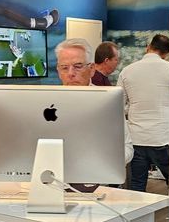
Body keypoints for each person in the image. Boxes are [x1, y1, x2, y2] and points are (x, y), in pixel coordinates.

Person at [116, 34, 169, 222]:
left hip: (137, 137)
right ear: (166, 53)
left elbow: (119, 106)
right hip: (166, 137)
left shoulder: (128, 71)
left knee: (137, 187)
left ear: (148, 47)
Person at [55, 37, 133, 165]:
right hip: (55, 178)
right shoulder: (48, 102)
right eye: (64, 67)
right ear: (58, 71)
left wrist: (104, 160)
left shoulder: (108, 102)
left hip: (96, 179)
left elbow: (127, 148)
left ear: (91, 69)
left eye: (77, 66)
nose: (70, 73)